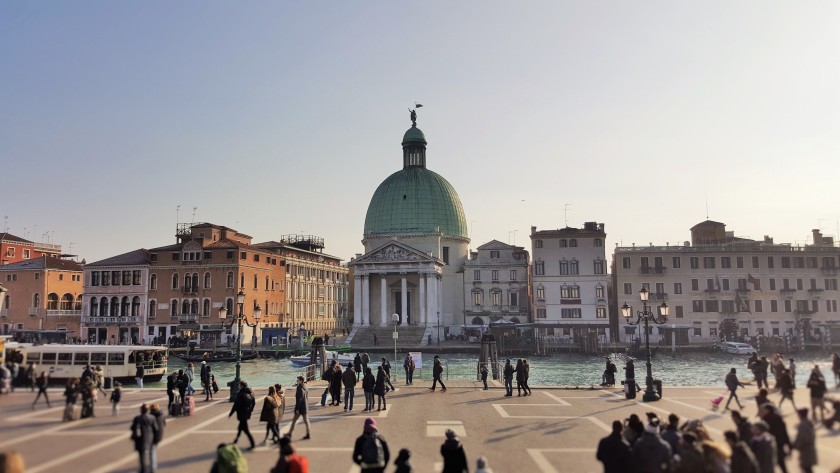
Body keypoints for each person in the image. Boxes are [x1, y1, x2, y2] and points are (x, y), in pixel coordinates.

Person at [760, 404, 791, 473]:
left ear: (767, 410)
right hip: (780, 442)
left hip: (771, 443)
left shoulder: (766, 419)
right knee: (781, 462)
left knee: (771, 463)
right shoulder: (778, 417)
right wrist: (789, 444)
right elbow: (784, 432)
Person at [130, 404, 159, 473]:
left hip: (140, 438)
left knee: (142, 455)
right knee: (151, 453)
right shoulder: (152, 417)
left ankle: (143, 469)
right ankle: (152, 468)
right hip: (150, 437)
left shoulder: (137, 418)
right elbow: (156, 428)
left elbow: (132, 427)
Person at [229, 381, 256, 450]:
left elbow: (236, 404)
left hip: (242, 413)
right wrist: (250, 410)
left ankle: (252, 444)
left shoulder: (241, 394)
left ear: (241, 386)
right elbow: (254, 403)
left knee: (245, 430)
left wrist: (231, 413)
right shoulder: (251, 392)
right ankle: (235, 442)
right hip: (246, 413)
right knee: (240, 428)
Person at [792, 408, 817, 473]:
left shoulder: (803, 425)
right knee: (807, 468)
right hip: (809, 449)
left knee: (806, 468)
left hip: (806, 450)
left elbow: (803, 438)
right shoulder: (808, 423)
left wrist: (796, 445)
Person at [288, 376, 311, 440]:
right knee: (306, 421)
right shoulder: (305, 387)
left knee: (294, 421)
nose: (297, 381)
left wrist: (297, 408)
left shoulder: (299, 388)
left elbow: (298, 399)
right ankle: (308, 434)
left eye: (298, 380)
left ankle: (289, 434)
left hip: (300, 408)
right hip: (305, 406)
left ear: (301, 381)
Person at [149, 403, 166, 472]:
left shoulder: (151, 416)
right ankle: (152, 466)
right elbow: (164, 424)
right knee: (153, 450)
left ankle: (153, 467)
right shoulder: (162, 415)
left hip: (153, 435)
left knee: (152, 451)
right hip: (160, 434)